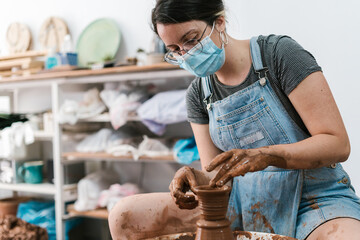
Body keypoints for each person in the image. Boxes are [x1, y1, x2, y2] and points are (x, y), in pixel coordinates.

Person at [108, 0, 360, 239]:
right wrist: (194, 176)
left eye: (191, 40)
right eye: (175, 50)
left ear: (219, 22)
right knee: (125, 216)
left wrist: (267, 155)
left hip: (312, 200)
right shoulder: (198, 94)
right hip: (242, 201)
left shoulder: (278, 54)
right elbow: (217, 174)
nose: (186, 55)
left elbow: (337, 144)